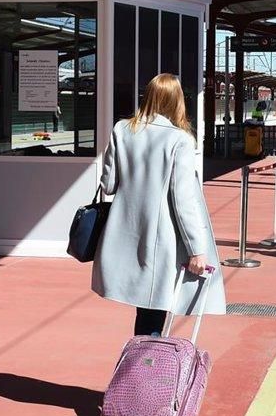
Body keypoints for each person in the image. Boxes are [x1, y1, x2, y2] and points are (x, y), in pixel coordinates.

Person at [95, 73, 228, 336]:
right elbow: (183, 200)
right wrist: (196, 249)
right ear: (177, 101)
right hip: (161, 240)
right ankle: (146, 373)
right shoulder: (179, 140)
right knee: (155, 312)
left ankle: (141, 370)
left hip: (126, 234)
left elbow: (108, 184)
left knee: (144, 312)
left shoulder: (122, 130)